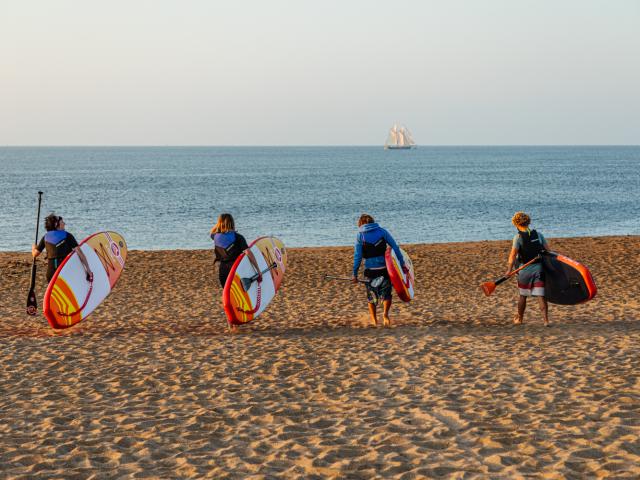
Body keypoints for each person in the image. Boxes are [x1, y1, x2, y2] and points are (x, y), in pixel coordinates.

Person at [352, 214, 408, 327]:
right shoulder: (382, 232)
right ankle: (385, 315)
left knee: (371, 296)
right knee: (386, 294)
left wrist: (354, 273)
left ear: (360, 224)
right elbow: (395, 248)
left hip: (370, 271)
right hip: (385, 270)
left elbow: (357, 256)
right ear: (373, 222)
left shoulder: (360, 236)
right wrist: (402, 264)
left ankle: (374, 319)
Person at [506, 211, 551, 326]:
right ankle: (546, 321)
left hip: (524, 270)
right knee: (541, 295)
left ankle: (519, 319)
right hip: (539, 269)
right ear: (528, 222)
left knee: (523, 295)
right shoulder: (538, 235)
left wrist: (509, 270)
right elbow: (548, 251)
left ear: (516, 224)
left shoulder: (518, 237)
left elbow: (512, 255)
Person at [210, 213, 249, 332]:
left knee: (227, 296)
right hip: (235, 269)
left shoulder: (215, 236)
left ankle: (230, 323)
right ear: (233, 222)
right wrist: (256, 267)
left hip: (223, 269)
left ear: (219, 223)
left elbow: (212, 232)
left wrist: (218, 226)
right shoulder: (238, 237)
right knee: (237, 295)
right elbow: (248, 253)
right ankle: (236, 323)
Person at [32, 214, 85, 283]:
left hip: (51, 273)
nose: (64, 223)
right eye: (62, 222)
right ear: (56, 224)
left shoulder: (46, 237)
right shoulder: (67, 235)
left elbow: (35, 254)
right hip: (65, 272)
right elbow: (80, 253)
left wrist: (33, 247)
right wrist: (88, 270)